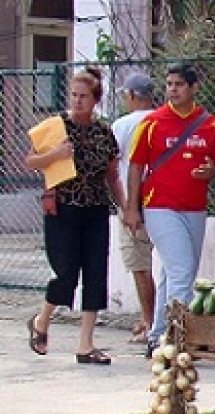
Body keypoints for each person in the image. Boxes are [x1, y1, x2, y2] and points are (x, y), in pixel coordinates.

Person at [122, 63, 215, 357]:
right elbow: (135, 166)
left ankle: (156, 336)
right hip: (159, 206)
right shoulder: (153, 122)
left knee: (175, 273)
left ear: (194, 88)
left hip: (195, 208)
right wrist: (132, 208)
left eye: (179, 84)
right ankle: (177, 338)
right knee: (182, 271)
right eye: (169, 84)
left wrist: (213, 171)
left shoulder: (209, 124)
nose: (173, 89)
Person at [24, 67, 125, 365]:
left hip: (95, 209)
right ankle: (41, 321)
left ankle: (85, 344)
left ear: (95, 100)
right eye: (74, 95)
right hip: (64, 208)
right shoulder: (56, 127)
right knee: (66, 272)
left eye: (84, 96)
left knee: (95, 272)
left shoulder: (104, 132)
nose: (77, 101)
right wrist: (55, 154)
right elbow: (31, 161)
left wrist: (125, 208)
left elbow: (112, 176)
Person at [111, 72, 157, 344]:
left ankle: (149, 320)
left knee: (140, 264)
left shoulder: (123, 125)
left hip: (133, 203)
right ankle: (151, 320)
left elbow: (112, 163)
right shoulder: (162, 120)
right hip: (162, 201)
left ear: (130, 96)